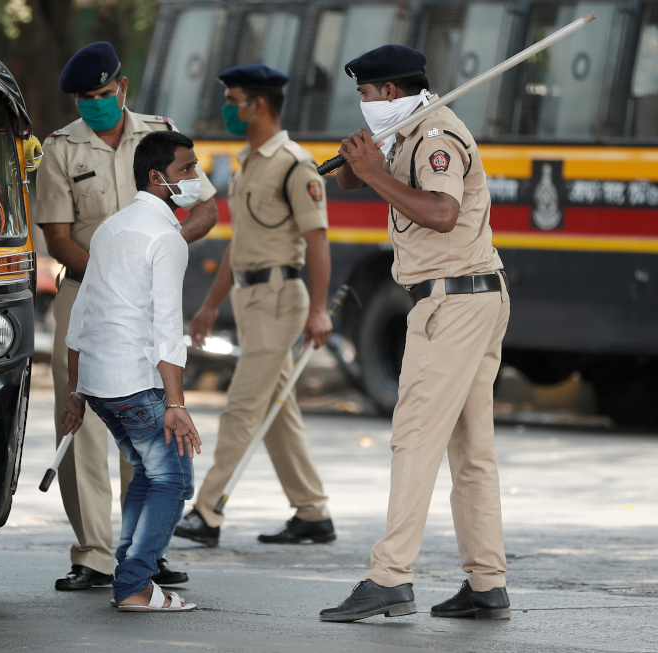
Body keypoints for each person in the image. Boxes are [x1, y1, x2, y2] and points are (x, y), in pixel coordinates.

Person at [318, 45, 511, 623]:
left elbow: (442, 212)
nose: (363, 103)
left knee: (414, 438)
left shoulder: (435, 138)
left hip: (451, 303)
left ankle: (390, 576)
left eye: (366, 94)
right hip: (472, 297)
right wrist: (362, 165)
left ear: (392, 93)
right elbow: (357, 185)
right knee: (470, 450)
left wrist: (376, 172)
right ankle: (487, 581)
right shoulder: (406, 133)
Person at [36, 41, 218, 591]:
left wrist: (163, 245)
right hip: (85, 289)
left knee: (147, 415)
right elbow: (57, 238)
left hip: (146, 291)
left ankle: (144, 550)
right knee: (86, 420)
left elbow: (205, 207)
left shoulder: (160, 136)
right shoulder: (61, 148)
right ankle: (92, 554)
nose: (94, 103)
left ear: (122, 87)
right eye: (84, 98)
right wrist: (117, 273)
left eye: (102, 94)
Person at [174, 64, 336, 548]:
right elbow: (239, 246)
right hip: (250, 299)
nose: (227, 108)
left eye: (233, 99)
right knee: (275, 413)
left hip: (279, 299)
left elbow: (318, 241)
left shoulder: (294, 165)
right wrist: (208, 307)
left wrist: (320, 309)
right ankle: (312, 513)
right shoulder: (253, 163)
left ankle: (207, 512)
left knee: (243, 407)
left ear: (258, 105)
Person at [61, 130, 203, 612]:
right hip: (135, 381)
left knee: (149, 471)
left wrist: (75, 391)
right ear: (156, 177)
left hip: (100, 383)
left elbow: (81, 313)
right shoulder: (166, 238)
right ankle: (135, 586)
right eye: (187, 169)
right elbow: (167, 328)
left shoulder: (111, 228)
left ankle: (128, 568)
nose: (197, 177)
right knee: (173, 480)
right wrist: (177, 404)